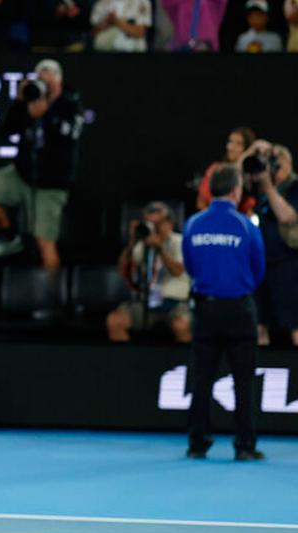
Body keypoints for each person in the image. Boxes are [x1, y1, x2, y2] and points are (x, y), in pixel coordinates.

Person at [181, 165, 266, 462]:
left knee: (202, 377)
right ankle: (244, 445)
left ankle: (197, 443)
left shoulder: (193, 224)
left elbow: (190, 265)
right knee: (243, 380)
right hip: (239, 309)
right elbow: (259, 270)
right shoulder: (246, 226)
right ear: (235, 191)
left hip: (206, 307)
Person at [0, 59, 83, 273]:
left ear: (59, 82)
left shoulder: (70, 103)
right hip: (22, 174)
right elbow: (4, 131)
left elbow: (71, 134)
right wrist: (18, 101)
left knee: (45, 243)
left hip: (52, 183)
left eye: (50, 79)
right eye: (42, 78)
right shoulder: (28, 103)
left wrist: (47, 115)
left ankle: (51, 299)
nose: (46, 83)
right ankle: (10, 234)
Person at [106, 202, 191, 343]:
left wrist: (160, 249)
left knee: (181, 325)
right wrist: (132, 242)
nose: (153, 229)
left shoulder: (181, 242)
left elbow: (177, 271)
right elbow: (123, 269)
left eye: (156, 224)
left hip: (175, 303)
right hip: (146, 302)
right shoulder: (142, 245)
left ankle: (185, 364)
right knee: (115, 321)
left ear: (169, 223)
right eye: (148, 224)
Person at [249, 144, 298, 347]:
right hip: (262, 263)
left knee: (294, 322)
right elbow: (232, 177)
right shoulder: (260, 187)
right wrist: (252, 150)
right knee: (259, 322)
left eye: (279, 160)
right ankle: (259, 371)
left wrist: (269, 187)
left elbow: (287, 217)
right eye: (272, 161)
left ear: (289, 163)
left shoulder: (294, 187)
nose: (276, 165)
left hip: (288, 262)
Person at [196, 127, 256, 212]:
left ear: (247, 149)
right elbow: (201, 203)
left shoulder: (254, 175)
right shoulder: (216, 170)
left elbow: (250, 210)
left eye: (238, 144)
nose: (231, 147)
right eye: (230, 142)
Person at [160, 0, 227, 50]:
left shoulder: (211, 4)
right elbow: (167, 4)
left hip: (207, 43)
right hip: (183, 43)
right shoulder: (180, 4)